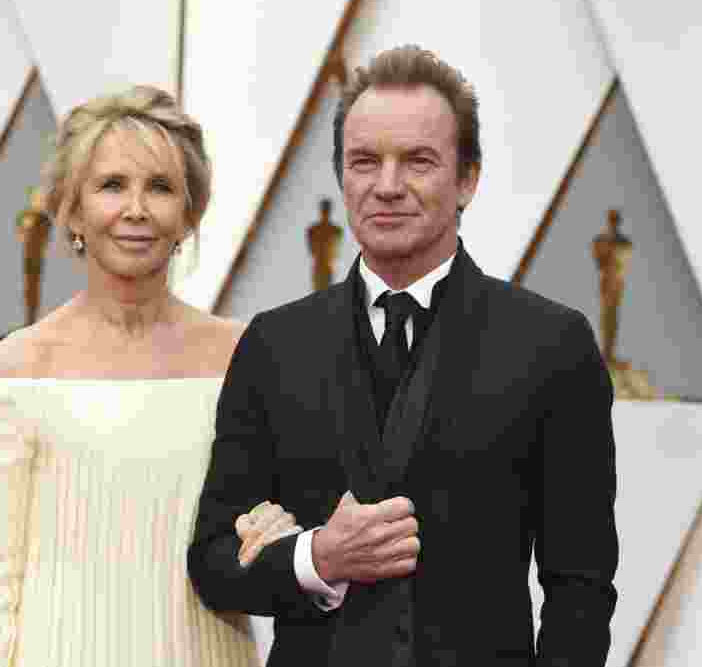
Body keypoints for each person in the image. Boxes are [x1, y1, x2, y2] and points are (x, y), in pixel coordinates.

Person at [188, 45, 618, 666]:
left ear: (467, 179)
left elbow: (580, 587)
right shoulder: (273, 345)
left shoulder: (553, 346)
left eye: (418, 160)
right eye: (365, 161)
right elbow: (213, 563)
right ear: (342, 176)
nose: (387, 187)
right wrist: (319, 558)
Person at [0, 85, 299, 666]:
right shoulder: (19, 367)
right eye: (112, 185)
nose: (136, 209)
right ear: (71, 209)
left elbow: (281, 527)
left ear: (189, 214)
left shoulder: (246, 355)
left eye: (160, 187)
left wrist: (277, 535)